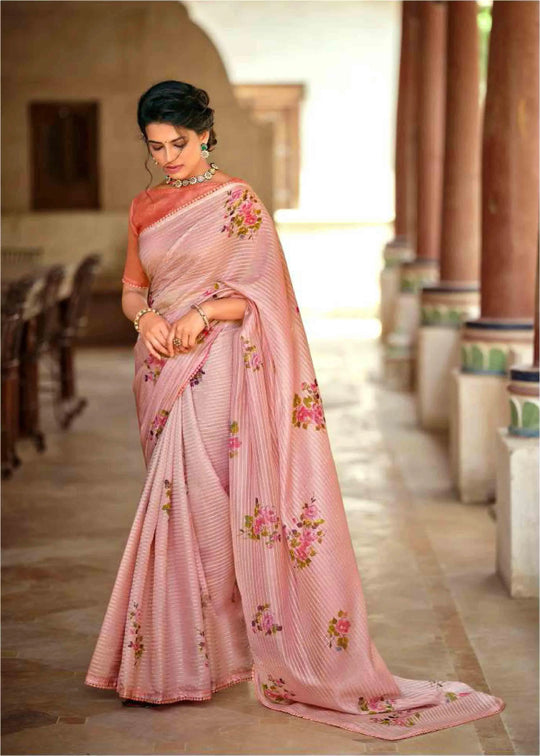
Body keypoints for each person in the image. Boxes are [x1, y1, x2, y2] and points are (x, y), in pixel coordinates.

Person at [84, 80, 505, 741]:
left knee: (199, 503)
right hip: (161, 367)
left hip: (219, 362)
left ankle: (174, 664)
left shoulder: (238, 203)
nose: (168, 157)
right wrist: (145, 322)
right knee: (179, 504)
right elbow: (134, 290)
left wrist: (199, 312)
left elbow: (265, 296)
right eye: (156, 146)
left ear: (206, 135)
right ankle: (196, 654)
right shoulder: (145, 206)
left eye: (179, 144)